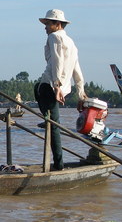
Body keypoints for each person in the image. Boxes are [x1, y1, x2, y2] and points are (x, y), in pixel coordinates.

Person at [34, 9, 87, 171]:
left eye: (48, 24)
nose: (46, 28)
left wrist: (56, 86)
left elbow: (57, 61)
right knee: (53, 123)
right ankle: (47, 118)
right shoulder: (71, 42)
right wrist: (80, 92)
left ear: (57, 25)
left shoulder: (54, 37)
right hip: (61, 88)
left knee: (54, 127)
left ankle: (59, 165)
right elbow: (76, 69)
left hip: (50, 86)